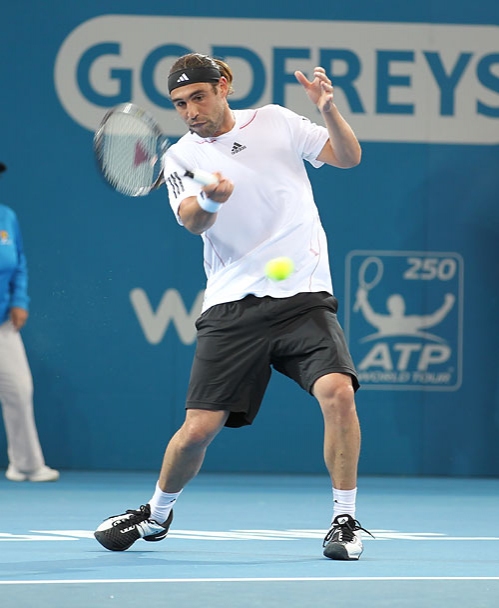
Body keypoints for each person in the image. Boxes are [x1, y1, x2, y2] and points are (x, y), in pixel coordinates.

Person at [95, 53, 371, 559]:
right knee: (197, 430)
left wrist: (328, 110)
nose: (190, 111)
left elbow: (348, 157)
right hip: (232, 305)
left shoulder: (276, 120)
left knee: (338, 393)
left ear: (224, 85)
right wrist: (212, 200)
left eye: (198, 97)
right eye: (180, 104)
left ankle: (345, 519)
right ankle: (156, 513)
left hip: (303, 296)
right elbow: (192, 220)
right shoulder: (180, 157)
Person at [0, 162, 59, 482]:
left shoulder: (6, 216)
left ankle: (25, 464)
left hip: (3, 325)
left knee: (19, 389)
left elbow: (18, 262)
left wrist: (19, 300)